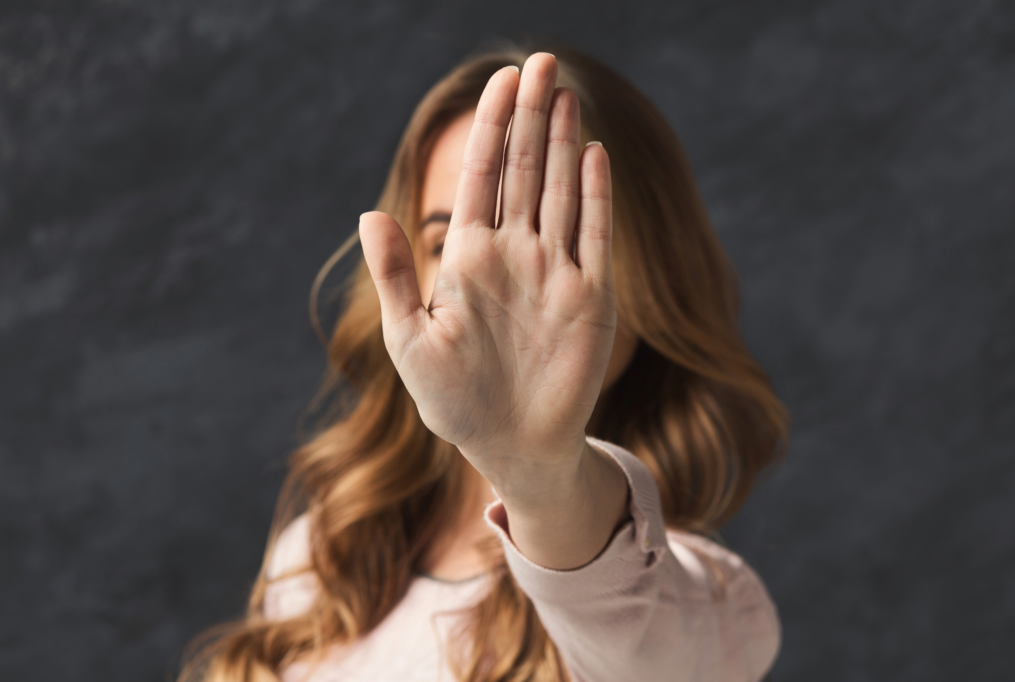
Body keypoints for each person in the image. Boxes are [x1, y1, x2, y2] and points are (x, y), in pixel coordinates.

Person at [181, 45, 790, 682]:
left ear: (657, 281)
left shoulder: (708, 613)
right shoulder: (319, 558)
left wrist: (536, 470)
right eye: (447, 241)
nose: (488, 289)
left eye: (553, 242)